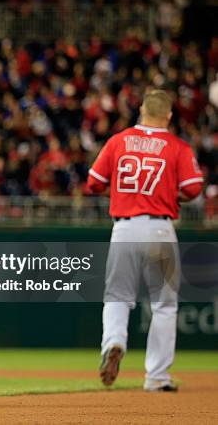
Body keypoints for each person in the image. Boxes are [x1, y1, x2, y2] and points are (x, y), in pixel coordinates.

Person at [86, 89, 203, 392]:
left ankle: (113, 342)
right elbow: (193, 188)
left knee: (117, 296)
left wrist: (123, 189)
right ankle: (156, 377)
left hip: (123, 228)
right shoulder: (176, 146)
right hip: (159, 229)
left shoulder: (118, 141)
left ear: (141, 110)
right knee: (164, 305)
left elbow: (93, 183)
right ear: (169, 116)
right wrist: (167, 192)